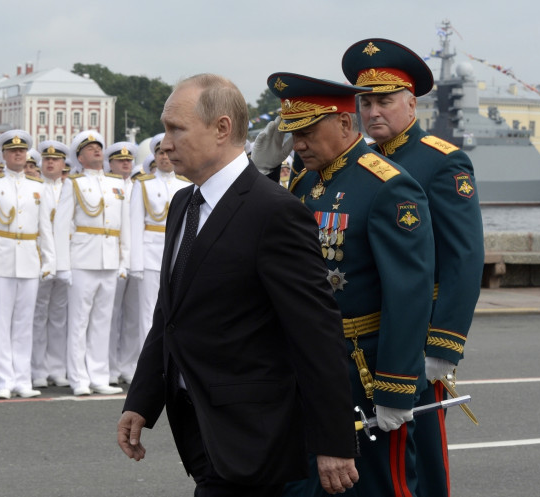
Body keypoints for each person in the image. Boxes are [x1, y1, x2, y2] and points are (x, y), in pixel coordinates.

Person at [117, 74, 359, 496]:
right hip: (199, 430)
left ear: (222, 128)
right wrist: (142, 399)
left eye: (177, 129)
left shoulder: (274, 212)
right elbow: (169, 315)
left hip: (253, 436)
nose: (165, 142)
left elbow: (316, 334)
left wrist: (334, 441)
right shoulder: (183, 203)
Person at [255, 72, 435, 497]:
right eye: (292, 133)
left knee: (372, 486)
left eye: (307, 131)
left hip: (361, 368)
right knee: (302, 483)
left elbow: (407, 294)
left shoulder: (387, 186)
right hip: (305, 363)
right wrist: (261, 170)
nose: (297, 145)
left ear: (342, 123)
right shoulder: (306, 182)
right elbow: (260, 233)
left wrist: (395, 385)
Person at [341, 38, 485, 497]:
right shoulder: (356, 164)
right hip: (367, 334)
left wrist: (444, 345)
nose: (373, 112)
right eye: (366, 102)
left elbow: (464, 256)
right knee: (367, 454)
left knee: (422, 450)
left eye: (385, 101)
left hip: (418, 333)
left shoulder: (441, 161)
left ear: (411, 102)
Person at [0, 130, 55, 399]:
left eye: (21, 151)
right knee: (0, 323)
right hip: (0, 257)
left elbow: (46, 228)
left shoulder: (37, 186)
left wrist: (49, 260)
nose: (17, 154)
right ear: (4, 156)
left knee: (23, 323)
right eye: (12, 151)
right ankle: (2, 381)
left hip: (29, 259)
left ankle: (22, 379)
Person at [53, 130, 128, 396]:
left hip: (109, 259)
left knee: (101, 322)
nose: (97, 150)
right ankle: (79, 378)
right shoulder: (73, 184)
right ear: (80, 158)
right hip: (82, 260)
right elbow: (61, 227)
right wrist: (62, 266)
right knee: (79, 322)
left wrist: (124, 261)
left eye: (98, 147)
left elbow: (124, 226)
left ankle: (98, 376)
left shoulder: (116, 183)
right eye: (90, 148)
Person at [128, 133, 191, 384]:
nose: (165, 157)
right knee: (148, 316)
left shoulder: (185, 185)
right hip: (150, 256)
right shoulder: (143, 185)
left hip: (178, 257)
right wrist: (135, 263)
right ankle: (151, 370)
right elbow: (134, 225)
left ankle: (174, 363)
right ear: (154, 157)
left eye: (167, 153)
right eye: (160, 153)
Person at [31, 140, 70, 388]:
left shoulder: (70, 188)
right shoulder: (34, 188)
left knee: (59, 316)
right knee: (38, 316)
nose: (51, 163)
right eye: (46, 160)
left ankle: (57, 367)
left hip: (66, 259)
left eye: (55, 160)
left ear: (64, 164)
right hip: (39, 259)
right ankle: (37, 369)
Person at [103, 141, 140, 385]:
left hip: (137, 257)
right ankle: (109, 367)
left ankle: (128, 365)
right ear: (111, 164)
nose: (125, 164)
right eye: (119, 160)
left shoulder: (140, 186)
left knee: (134, 317)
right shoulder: (106, 187)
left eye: (128, 160)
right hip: (110, 256)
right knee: (110, 316)